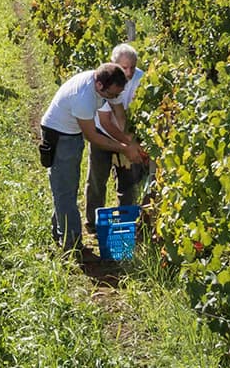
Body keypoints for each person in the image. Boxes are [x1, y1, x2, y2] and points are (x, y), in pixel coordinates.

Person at [39, 63, 150, 252]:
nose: (114, 98)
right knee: (65, 191)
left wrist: (130, 143)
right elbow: (93, 137)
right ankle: (72, 246)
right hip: (60, 136)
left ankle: (60, 235)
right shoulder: (83, 97)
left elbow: (118, 112)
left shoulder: (109, 84)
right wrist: (124, 149)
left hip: (73, 133)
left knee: (67, 187)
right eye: (112, 94)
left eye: (117, 94)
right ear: (99, 86)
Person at [84, 44, 146, 234]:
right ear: (114, 64)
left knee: (129, 180)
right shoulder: (107, 79)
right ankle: (93, 223)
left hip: (127, 132)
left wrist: (128, 141)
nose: (129, 72)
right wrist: (126, 144)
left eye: (132, 67)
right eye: (124, 67)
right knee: (97, 178)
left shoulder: (141, 79)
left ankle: (125, 221)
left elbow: (122, 115)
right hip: (102, 133)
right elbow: (106, 121)